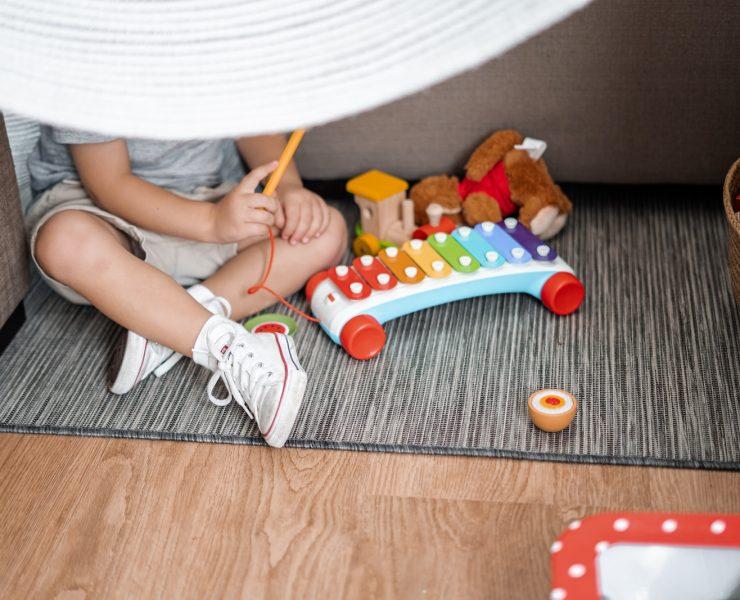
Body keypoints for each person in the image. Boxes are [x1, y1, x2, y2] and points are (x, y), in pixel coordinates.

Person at [26, 129, 347, 447]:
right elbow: (109, 184)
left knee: (326, 230)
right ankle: (224, 344)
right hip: (101, 211)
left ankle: (169, 324)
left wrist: (290, 189)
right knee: (64, 243)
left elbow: (251, 122)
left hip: (209, 197)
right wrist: (211, 222)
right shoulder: (91, 78)